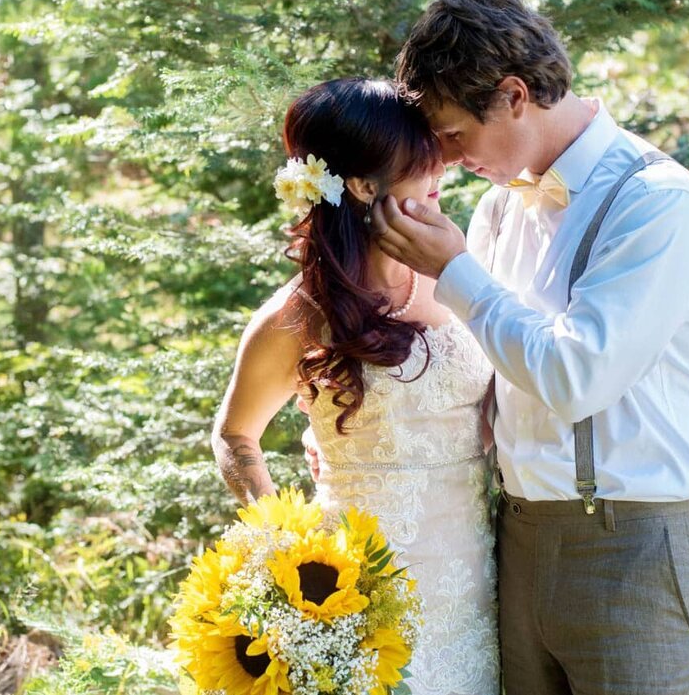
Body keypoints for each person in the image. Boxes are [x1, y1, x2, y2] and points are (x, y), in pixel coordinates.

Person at [367, 0, 689, 695]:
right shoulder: (498, 212)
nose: (444, 158)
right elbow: (485, 368)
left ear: (512, 95)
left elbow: (576, 374)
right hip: (517, 544)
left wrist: (453, 270)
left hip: (638, 553)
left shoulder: (657, 201)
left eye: (453, 135)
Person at [212, 77, 500, 695]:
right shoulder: (299, 313)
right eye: (422, 162)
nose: (442, 170)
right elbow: (235, 435)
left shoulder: (462, 271)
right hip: (367, 593)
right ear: (366, 186)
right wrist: (287, 557)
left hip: (479, 578)